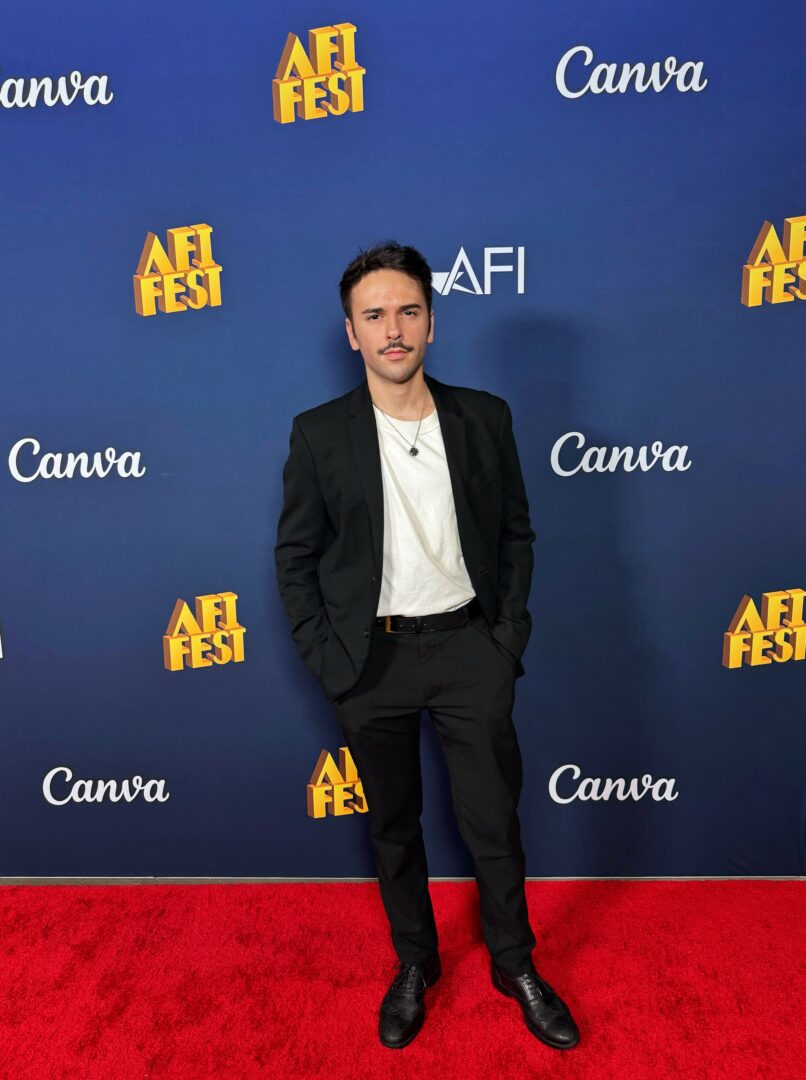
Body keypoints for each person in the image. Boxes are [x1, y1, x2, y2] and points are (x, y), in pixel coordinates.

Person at [274, 241, 579, 1051]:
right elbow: (295, 558)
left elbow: (515, 535)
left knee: (494, 823)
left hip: (469, 651)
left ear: (432, 323)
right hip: (368, 663)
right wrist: (327, 659)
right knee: (393, 826)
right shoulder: (318, 435)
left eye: (408, 311)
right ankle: (416, 962)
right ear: (352, 333)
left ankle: (515, 963)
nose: (393, 329)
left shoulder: (484, 418)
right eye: (374, 315)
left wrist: (504, 641)